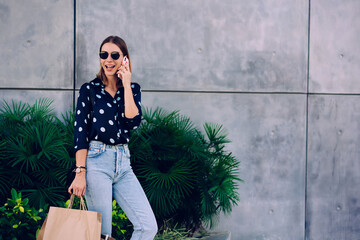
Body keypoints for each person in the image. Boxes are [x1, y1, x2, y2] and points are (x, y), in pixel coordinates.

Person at [68, 35, 158, 239]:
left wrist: (126, 84)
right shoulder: (89, 90)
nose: (108, 59)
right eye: (104, 54)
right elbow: (80, 133)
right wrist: (80, 173)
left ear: (124, 59)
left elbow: (132, 121)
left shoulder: (133, 89)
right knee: (102, 234)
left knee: (147, 227)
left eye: (114, 55)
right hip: (97, 162)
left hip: (123, 164)